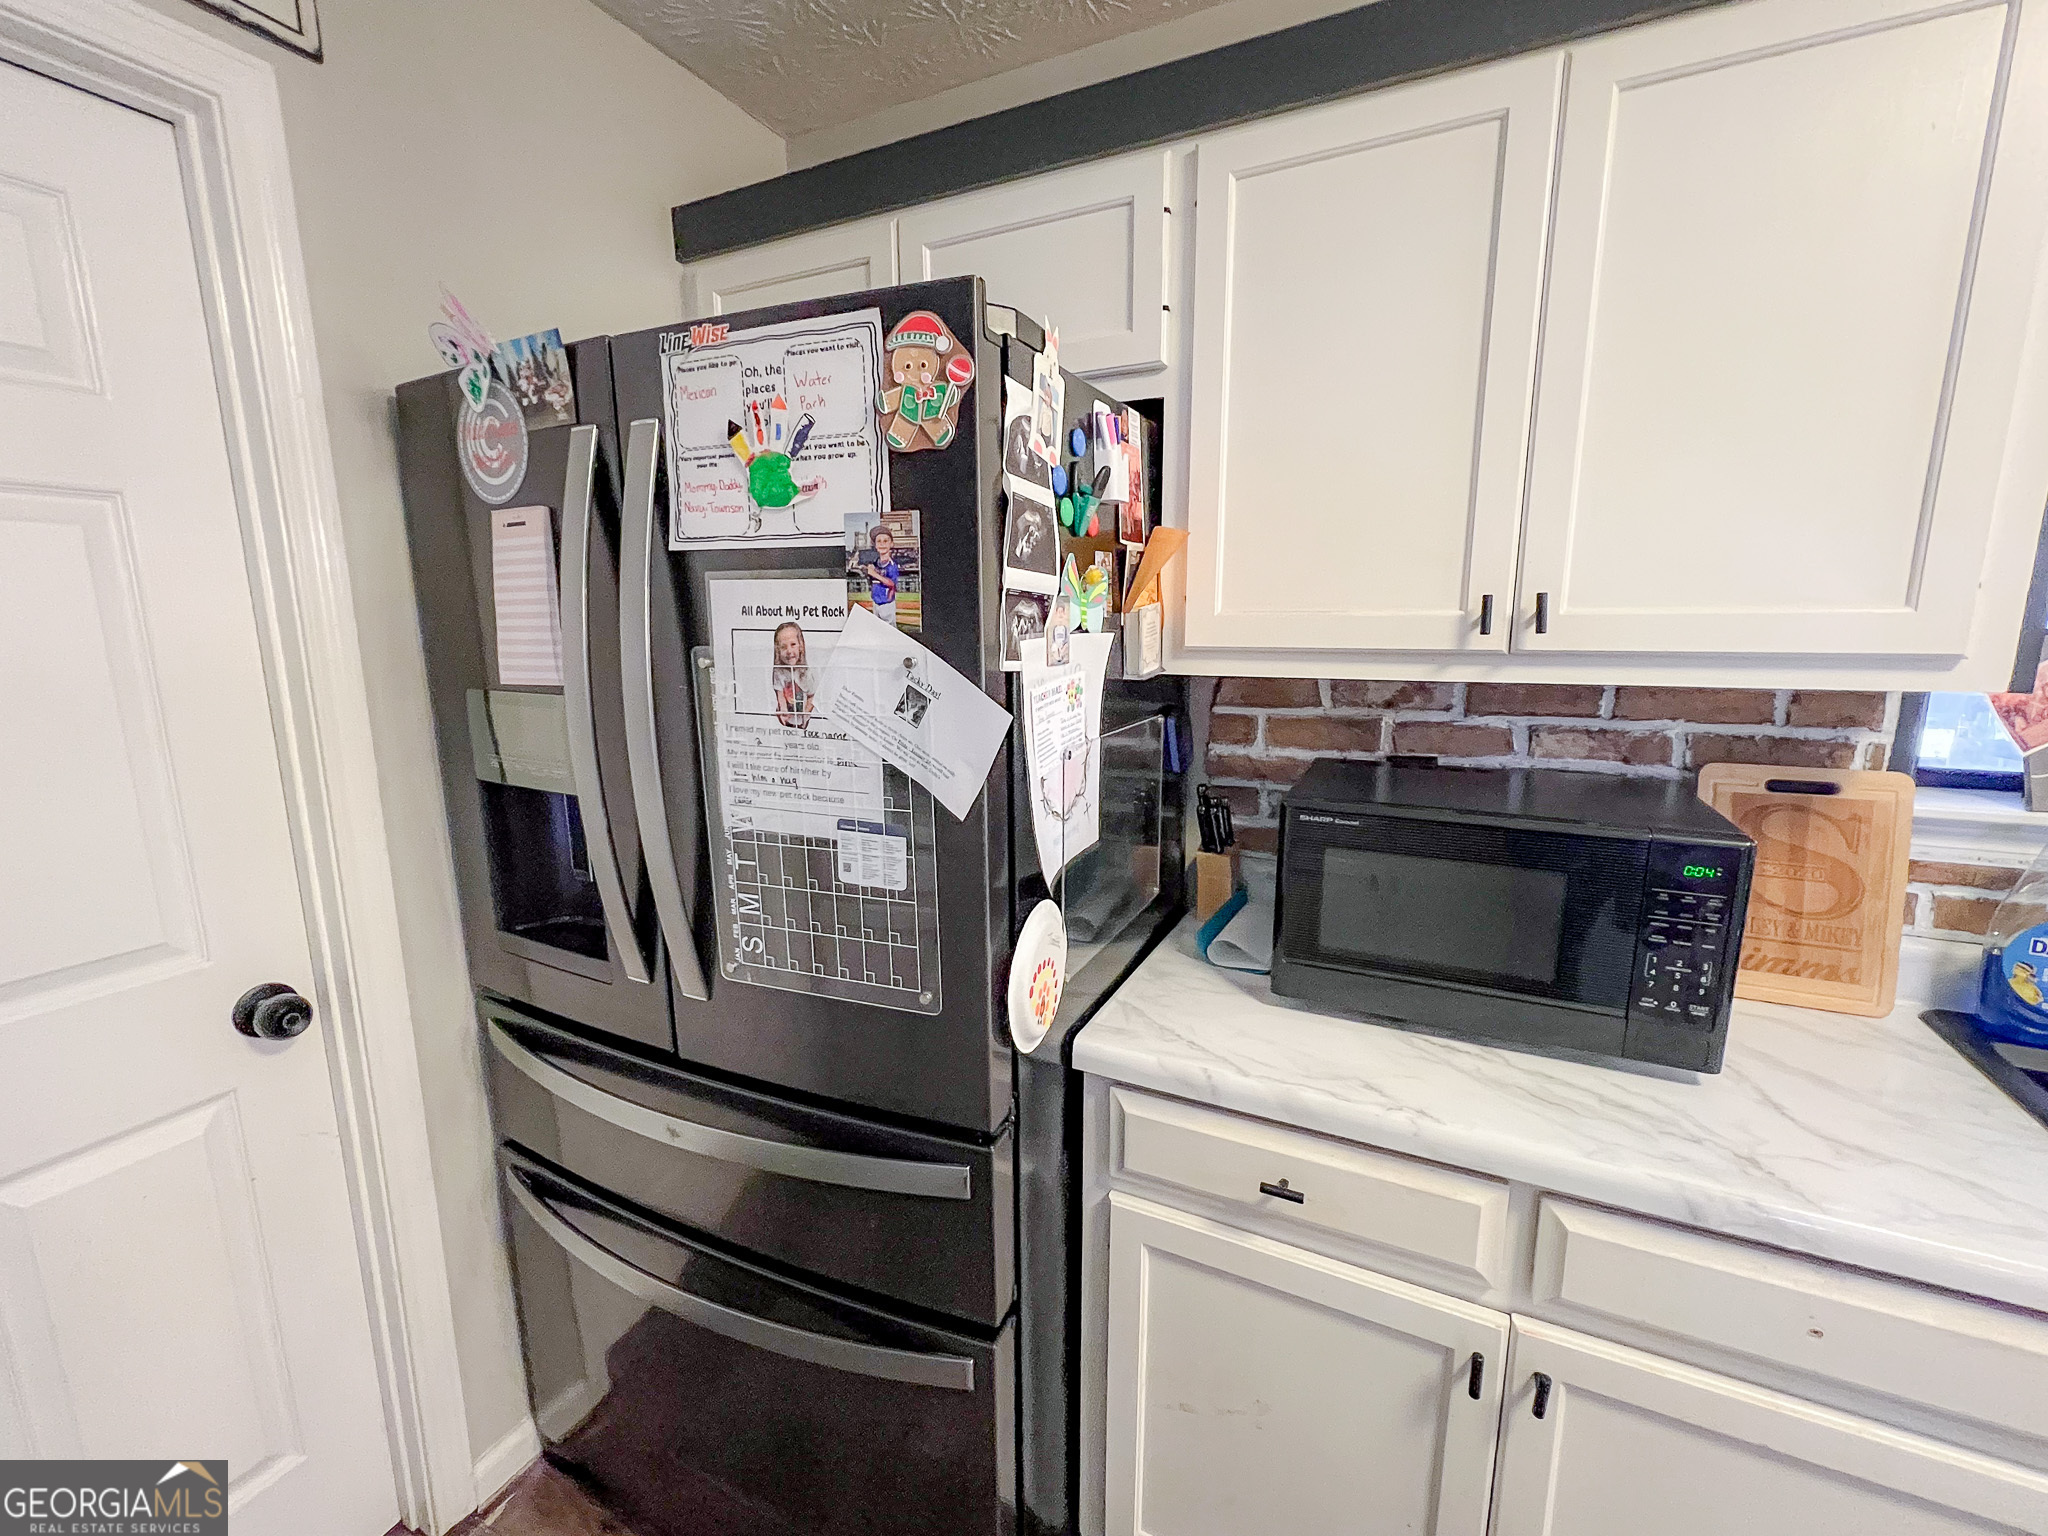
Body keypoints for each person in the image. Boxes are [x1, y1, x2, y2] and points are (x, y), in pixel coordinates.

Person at [770, 620, 813, 729]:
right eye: (783, 647)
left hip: (803, 716)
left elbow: (811, 696)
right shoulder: (779, 672)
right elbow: (780, 695)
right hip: (788, 717)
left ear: (801, 646)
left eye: (793, 644)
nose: (789, 651)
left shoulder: (805, 672)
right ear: (778, 651)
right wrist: (783, 710)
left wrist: (805, 716)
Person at [860, 527, 901, 627]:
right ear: (875, 545)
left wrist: (874, 574)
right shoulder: (875, 563)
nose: (882, 544)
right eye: (879, 541)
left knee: (889, 630)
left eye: (886, 541)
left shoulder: (892, 565)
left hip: (886, 603)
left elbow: (891, 583)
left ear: (891, 544)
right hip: (876, 602)